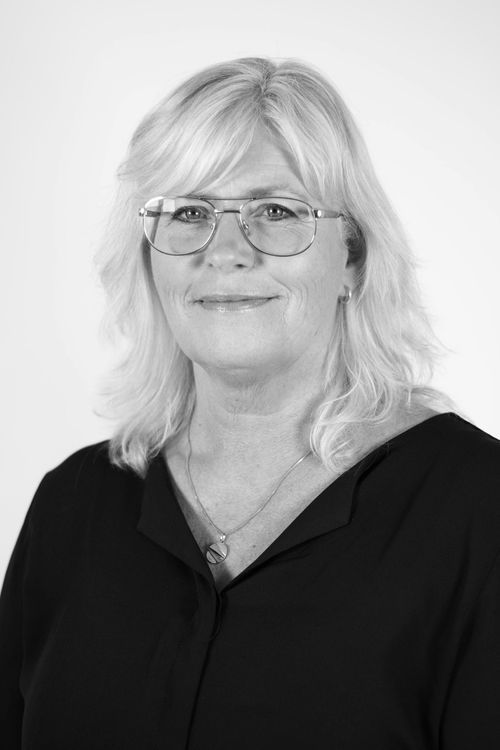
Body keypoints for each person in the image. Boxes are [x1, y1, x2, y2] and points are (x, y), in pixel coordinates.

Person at [0, 57, 499, 750]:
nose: (227, 251)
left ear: (353, 258)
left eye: (276, 211)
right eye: (190, 212)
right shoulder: (73, 504)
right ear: (147, 257)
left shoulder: (479, 509)